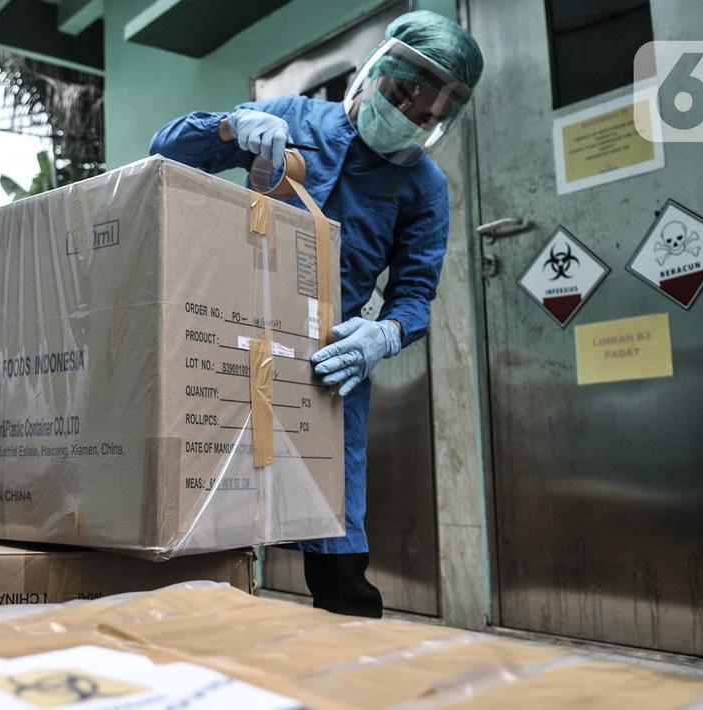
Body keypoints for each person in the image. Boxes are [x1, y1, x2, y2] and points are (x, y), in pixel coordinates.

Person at [148, 11, 483, 617]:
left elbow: (415, 295)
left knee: (336, 528)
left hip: (328, 362)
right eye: (403, 97)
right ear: (374, 74)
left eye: (427, 116)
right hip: (226, 341)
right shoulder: (294, 119)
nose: (409, 117)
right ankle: (198, 637)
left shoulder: (423, 186)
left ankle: (347, 648)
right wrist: (227, 128)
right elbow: (165, 153)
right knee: (204, 497)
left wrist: (385, 334)